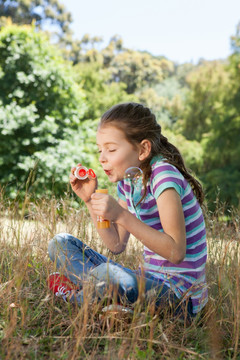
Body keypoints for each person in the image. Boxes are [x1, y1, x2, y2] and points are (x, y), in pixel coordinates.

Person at [48, 102, 208, 319]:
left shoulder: (164, 177)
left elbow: (176, 252)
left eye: (111, 149)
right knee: (60, 243)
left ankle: (77, 296)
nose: (102, 157)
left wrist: (122, 215)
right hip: (146, 282)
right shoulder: (128, 182)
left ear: (143, 149)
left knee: (107, 275)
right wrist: (89, 200)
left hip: (180, 299)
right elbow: (115, 244)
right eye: (100, 150)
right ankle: (110, 301)